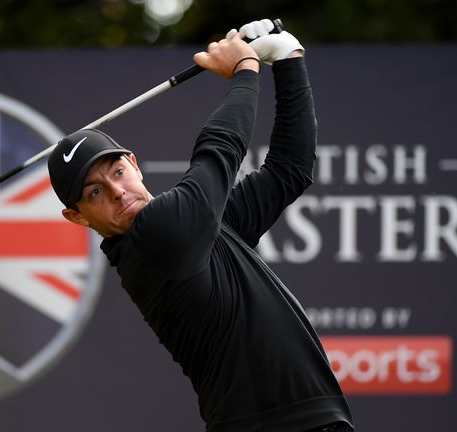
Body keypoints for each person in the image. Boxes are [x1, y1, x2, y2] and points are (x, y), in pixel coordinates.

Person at [47, 19, 354, 432]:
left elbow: (289, 170)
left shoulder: (202, 228)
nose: (118, 192)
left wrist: (288, 59)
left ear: (134, 165)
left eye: (117, 172)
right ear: (78, 217)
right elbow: (218, 151)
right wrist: (245, 70)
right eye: (95, 193)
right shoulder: (154, 237)